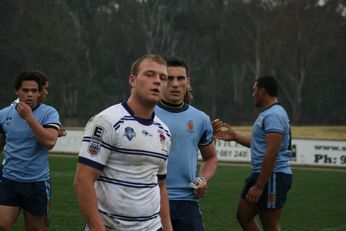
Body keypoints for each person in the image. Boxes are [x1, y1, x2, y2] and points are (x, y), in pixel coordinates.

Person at [74, 54, 173, 231]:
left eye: (163, 78)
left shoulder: (163, 132)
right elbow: (83, 180)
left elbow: (161, 186)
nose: (157, 81)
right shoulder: (107, 122)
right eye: (150, 74)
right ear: (132, 80)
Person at [213, 75, 292, 231]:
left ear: (262, 91)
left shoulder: (274, 115)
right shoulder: (270, 113)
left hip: (273, 175)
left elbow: (272, 151)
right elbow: (262, 146)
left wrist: (259, 186)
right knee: (243, 216)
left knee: (269, 223)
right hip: (264, 174)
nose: (252, 94)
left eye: (254, 90)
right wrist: (235, 137)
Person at [155, 56, 218, 231]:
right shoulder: (146, 113)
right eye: (169, 78)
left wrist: (203, 179)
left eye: (180, 78)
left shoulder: (201, 119)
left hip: (187, 202)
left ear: (188, 82)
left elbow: (211, 157)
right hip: (151, 199)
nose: (175, 84)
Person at [0, 70, 61, 230]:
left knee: (35, 229)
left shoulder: (49, 112)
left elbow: (49, 142)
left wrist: (29, 117)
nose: (30, 94)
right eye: (25, 90)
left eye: (34, 91)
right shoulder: (3, 114)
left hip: (36, 183)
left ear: (39, 92)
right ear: (17, 91)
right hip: (9, 181)